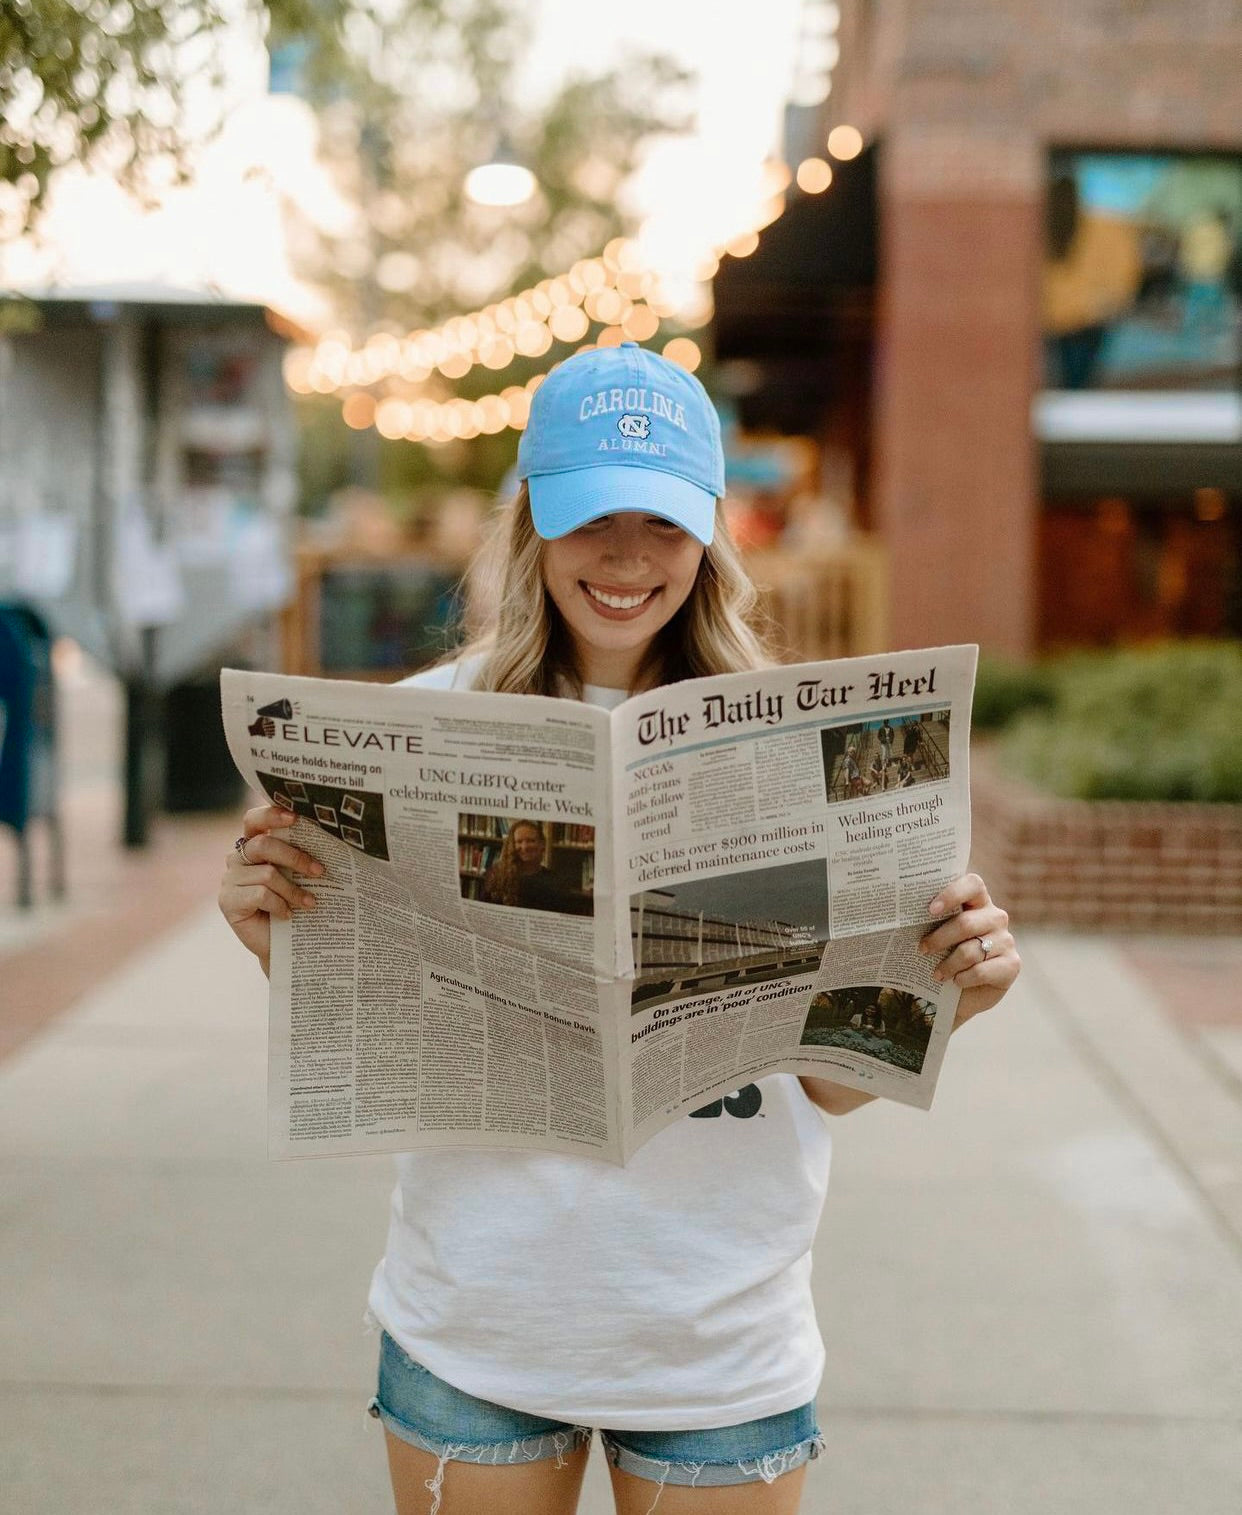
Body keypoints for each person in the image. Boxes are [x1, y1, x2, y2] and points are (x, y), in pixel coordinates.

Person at [218, 341, 1021, 1515]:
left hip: (716, 1332)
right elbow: (371, 1015)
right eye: (596, 516)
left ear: (711, 534)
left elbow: (823, 1085)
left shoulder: (795, 747)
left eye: (664, 521)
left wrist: (951, 992)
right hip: (480, 1324)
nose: (629, 556)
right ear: (536, 517)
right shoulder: (410, 728)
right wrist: (268, 928)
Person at [480, 819, 584, 914]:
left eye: (531, 841)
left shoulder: (555, 882)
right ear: (512, 845)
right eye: (519, 842)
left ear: (542, 844)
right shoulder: (497, 876)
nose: (525, 847)